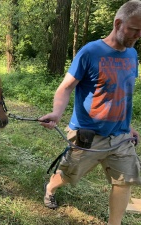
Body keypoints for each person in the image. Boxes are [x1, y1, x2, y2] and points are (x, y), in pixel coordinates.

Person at [38, 1, 141, 224]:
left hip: (120, 137)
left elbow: (121, 94)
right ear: (118, 23)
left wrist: (128, 126)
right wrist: (57, 113)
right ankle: (50, 187)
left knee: (124, 181)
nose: (138, 35)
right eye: (135, 29)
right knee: (68, 175)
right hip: (88, 135)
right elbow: (65, 87)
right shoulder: (90, 52)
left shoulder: (133, 55)